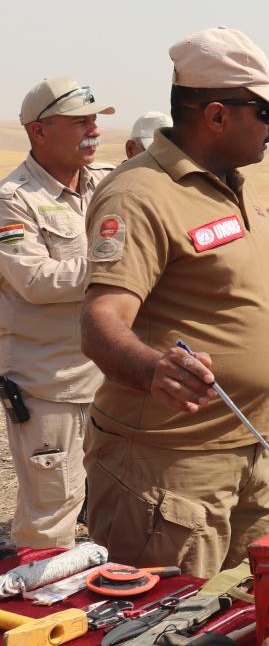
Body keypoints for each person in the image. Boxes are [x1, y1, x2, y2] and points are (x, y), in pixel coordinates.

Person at [80, 26, 269, 576]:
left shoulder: (234, 184)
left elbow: (242, 311)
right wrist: (153, 367)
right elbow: (100, 321)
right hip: (168, 469)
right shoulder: (139, 195)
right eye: (266, 112)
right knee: (170, 617)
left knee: (251, 611)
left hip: (247, 454)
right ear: (216, 115)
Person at [0, 78, 115, 547]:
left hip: (108, 373)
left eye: (94, 121)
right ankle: (37, 586)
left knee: (113, 500)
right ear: (39, 131)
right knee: (51, 512)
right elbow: (34, 280)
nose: (94, 131)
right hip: (50, 384)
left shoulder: (107, 181)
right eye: (80, 122)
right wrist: (118, 266)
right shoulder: (14, 199)